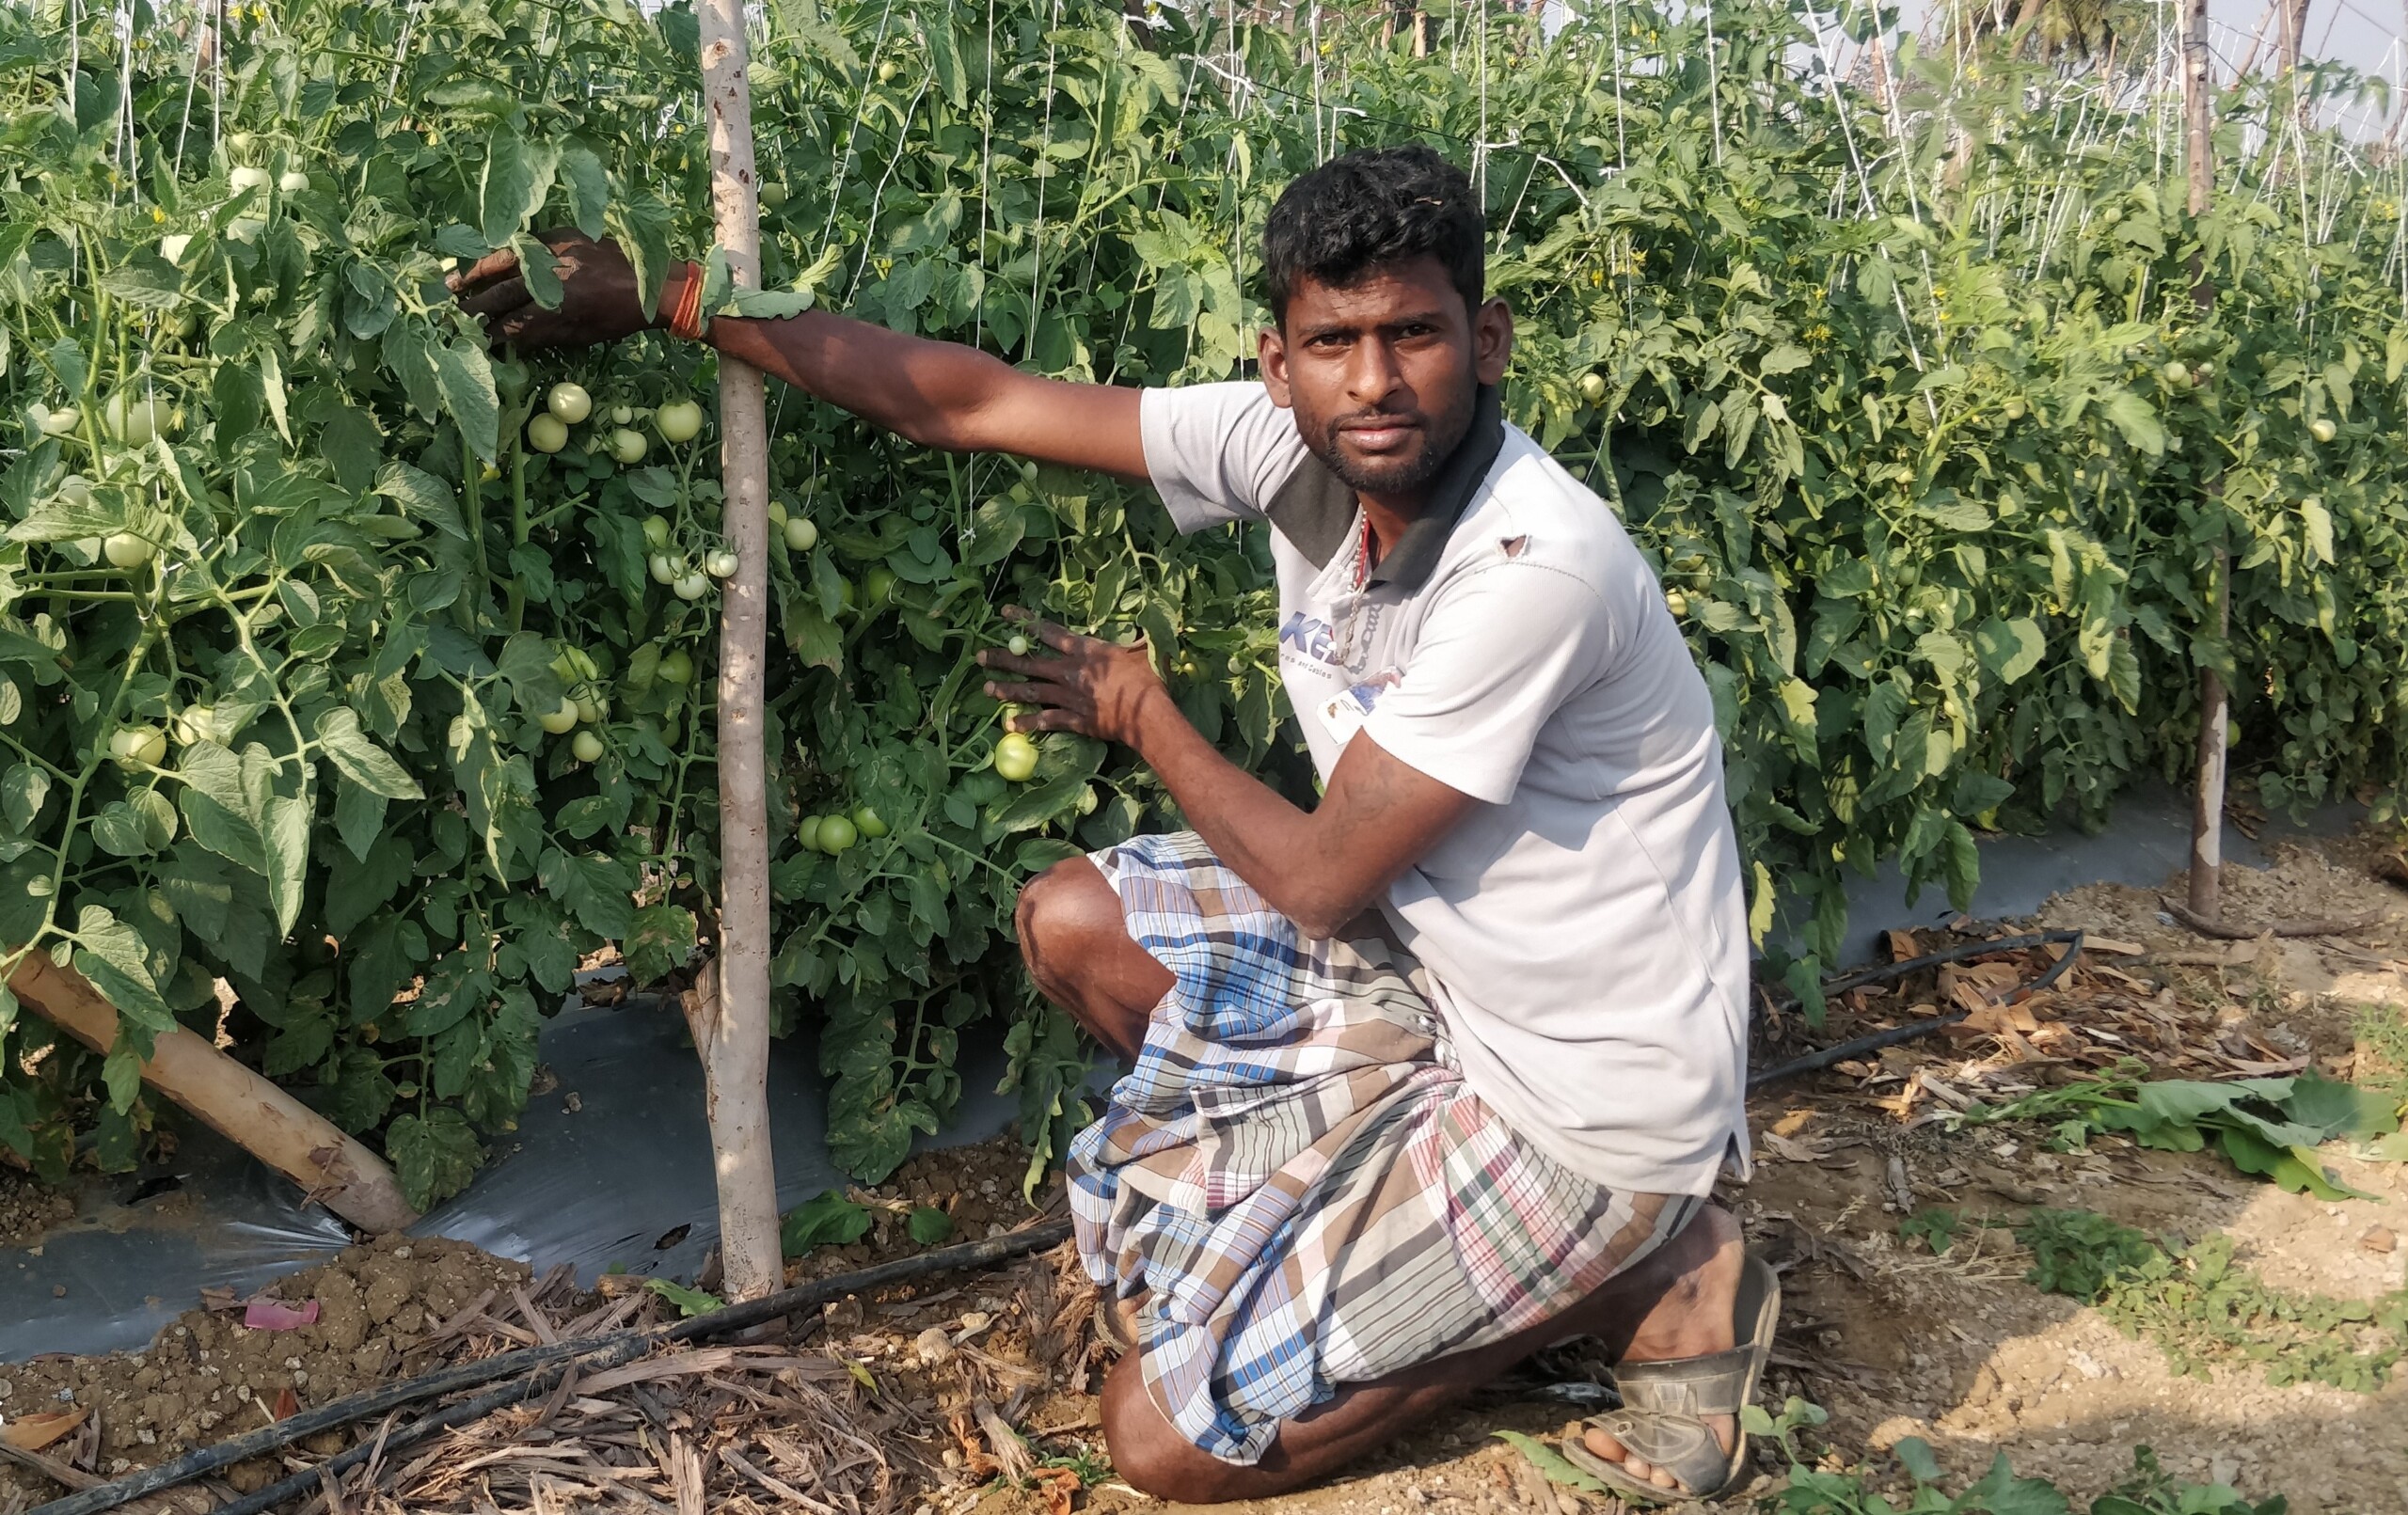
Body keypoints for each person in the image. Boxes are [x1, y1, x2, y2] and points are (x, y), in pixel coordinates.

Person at [451, 144, 1774, 1507]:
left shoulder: (1531, 569)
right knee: (1081, 921)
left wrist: (1144, 715)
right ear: (1279, 360)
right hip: (1439, 983)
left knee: (1162, 1440)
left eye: (1414, 335)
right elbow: (972, 401)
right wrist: (676, 299)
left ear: (1484, 340)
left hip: (1588, 1101)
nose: (1373, 382)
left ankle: (1650, 1268)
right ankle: (1394, 1227)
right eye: (1335, 342)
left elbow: (1319, 882)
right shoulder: (1285, 447)